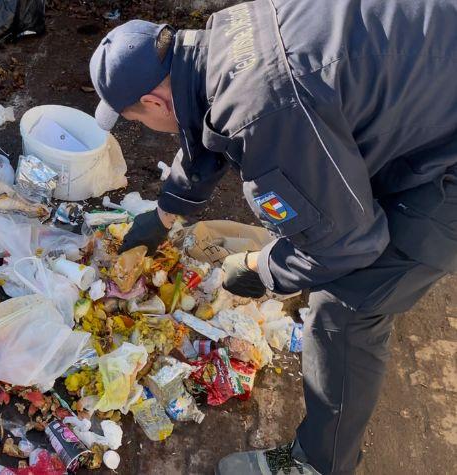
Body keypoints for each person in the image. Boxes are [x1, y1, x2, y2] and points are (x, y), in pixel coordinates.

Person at [88, 1, 457, 474]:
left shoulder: (264, 110)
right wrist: (163, 215)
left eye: (139, 120)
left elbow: (345, 244)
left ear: (155, 103)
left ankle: (319, 465)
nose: (148, 126)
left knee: (346, 304)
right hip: (430, 78)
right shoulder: (224, 37)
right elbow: (208, 124)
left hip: (444, 154)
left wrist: (261, 269)